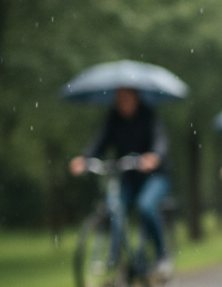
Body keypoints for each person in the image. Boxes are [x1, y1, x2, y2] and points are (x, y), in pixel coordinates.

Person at [70, 86, 173, 276]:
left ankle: (162, 256)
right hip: (127, 175)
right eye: (118, 98)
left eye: (125, 97)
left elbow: (161, 141)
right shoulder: (113, 118)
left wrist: (154, 156)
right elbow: (99, 141)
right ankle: (114, 259)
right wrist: (84, 159)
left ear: (136, 97)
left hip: (154, 176)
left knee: (146, 206)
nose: (121, 102)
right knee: (114, 208)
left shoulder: (149, 115)